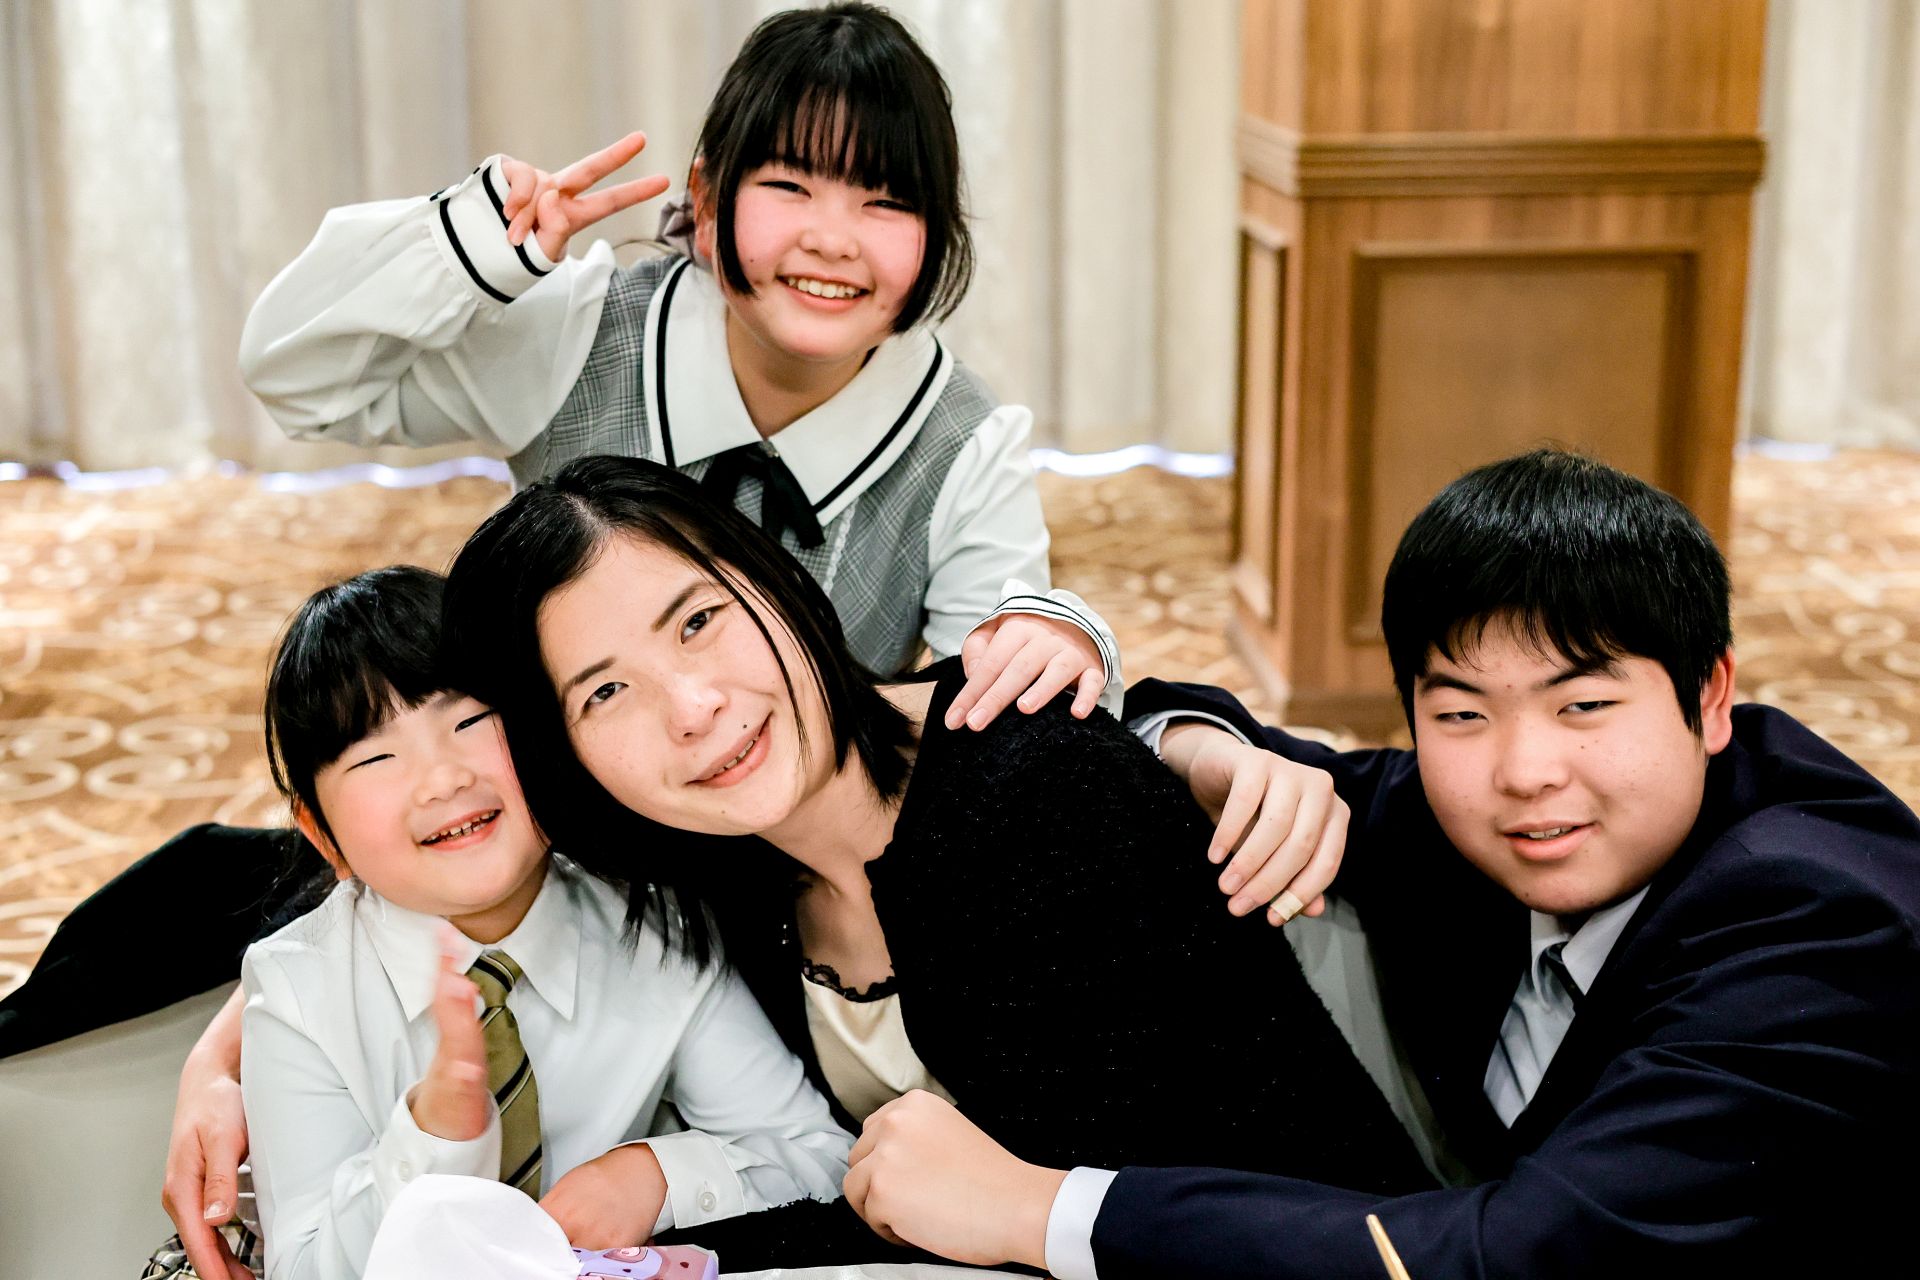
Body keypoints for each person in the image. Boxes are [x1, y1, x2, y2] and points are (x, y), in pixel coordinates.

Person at [830, 449, 1920, 1277]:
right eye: (1462, 712)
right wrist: (1208, 750)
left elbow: (1518, 1257)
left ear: (1711, 695)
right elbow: (1273, 756)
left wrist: (1041, 1209)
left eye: (1584, 705)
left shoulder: (1818, 921)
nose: (1526, 772)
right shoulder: (1489, 813)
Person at [378, 454, 1427, 1269]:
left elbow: (1052, 1216)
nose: (692, 708)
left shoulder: (1030, 794)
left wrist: (676, 1256)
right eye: (606, 691)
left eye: (698, 622)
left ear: (775, 584)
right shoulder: (723, 864)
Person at [143, 566, 849, 1280]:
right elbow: (305, 1270)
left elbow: (818, 1156)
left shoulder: (657, 931)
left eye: (470, 721)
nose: (444, 778)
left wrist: (656, 1174)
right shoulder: (299, 992)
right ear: (324, 837)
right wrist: (433, 1139)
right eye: (377, 757)